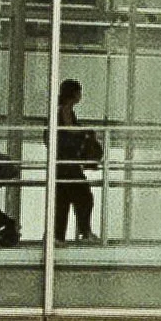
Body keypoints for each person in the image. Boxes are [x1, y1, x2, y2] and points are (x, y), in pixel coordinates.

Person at [53, 78, 101, 242]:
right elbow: (69, 131)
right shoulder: (65, 110)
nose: (81, 95)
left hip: (62, 164)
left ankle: (58, 236)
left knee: (63, 200)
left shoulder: (64, 110)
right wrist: (85, 133)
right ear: (74, 94)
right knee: (84, 197)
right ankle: (84, 231)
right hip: (68, 164)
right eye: (79, 92)